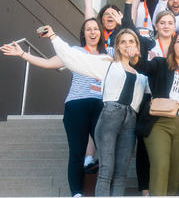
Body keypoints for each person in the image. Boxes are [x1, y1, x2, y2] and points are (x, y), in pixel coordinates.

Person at [1, 19, 107, 197]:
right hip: (76, 104)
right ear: (83, 34)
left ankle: (104, 191)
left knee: (106, 151)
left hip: (101, 104)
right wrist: (22, 55)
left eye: (96, 29)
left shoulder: (109, 53)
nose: (92, 32)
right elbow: (49, 62)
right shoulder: (75, 52)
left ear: (101, 33)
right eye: (88, 29)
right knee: (77, 152)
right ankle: (77, 194)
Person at [44, 23, 149, 196]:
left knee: (121, 172)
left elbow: (158, 87)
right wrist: (54, 37)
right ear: (117, 46)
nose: (127, 45)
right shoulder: (107, 64)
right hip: (110, 115)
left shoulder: (142, 74)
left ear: (137, 46)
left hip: (130, 120)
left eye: (131, 41)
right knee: (106, 170)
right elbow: (73, 57)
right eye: (123, 42)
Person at [128, 32, 179, 196]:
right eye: (178, 41)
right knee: (160, 166)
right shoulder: (161, 63)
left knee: (175, 175)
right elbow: (144, 67)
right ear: (173, 46)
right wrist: (134, 59)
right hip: (159, 123)